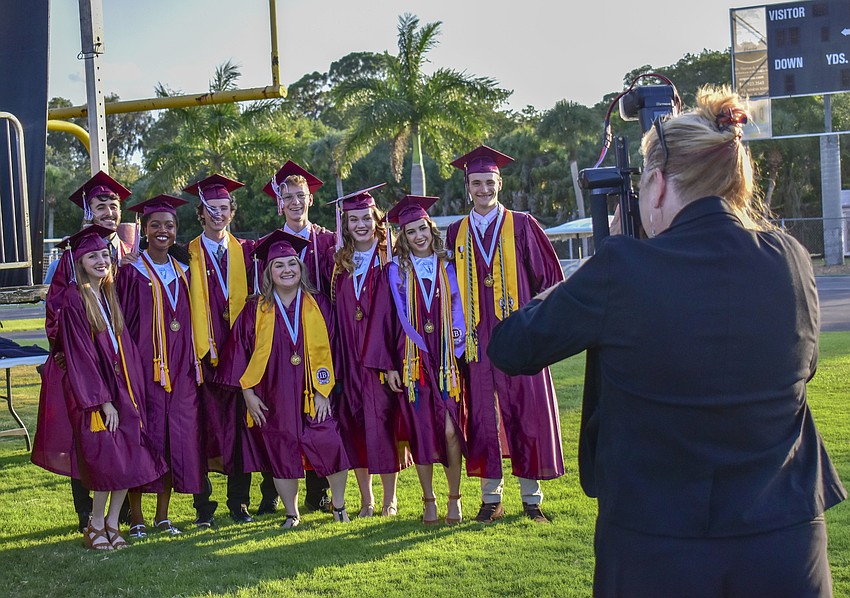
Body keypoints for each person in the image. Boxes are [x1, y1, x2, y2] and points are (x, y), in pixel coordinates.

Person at [487, 87, 847, 597]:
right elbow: (803, 366)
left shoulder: (622, 270)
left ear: (655, 185)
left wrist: (593, 265)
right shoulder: (790, 257)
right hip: (783, 537)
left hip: (655, 546)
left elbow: (511, 346)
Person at [445, 145, 565, 523]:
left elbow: (550, 282)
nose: (483, 189)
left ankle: (532, 499)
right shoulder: (454, 233)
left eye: (489, 182)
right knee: (482, 415)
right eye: (476, 183)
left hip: (518, 336)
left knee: (526, 413)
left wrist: (538, 330)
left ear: (500, 182)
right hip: (476, 340)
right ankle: (490, 499)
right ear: (467, 187)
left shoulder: (523, 225)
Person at [36, 225, 166, 549]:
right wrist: (102, 400)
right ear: (79, 262)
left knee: (130, 455)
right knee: (108, 458)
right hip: (98, 395)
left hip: (124, 390)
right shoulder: (74, 298)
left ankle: (111, 524)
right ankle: (94, 525)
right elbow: (79, 354)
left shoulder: (108, 295)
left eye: (104, 255)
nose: (101, 260)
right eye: (92, 256)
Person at [214, 230, 351, 528]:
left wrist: (324, 391)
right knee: (280, 448)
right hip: (272, 394)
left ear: (300, 268)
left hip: (312, 390)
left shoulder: (319, 304)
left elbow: (334, 348)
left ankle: (339, 506)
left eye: (292, 263)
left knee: (328, 440)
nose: (287, 270)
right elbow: (239, 352)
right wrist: (248, 394)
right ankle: (292, 513)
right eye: (279, 265)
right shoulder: (255, 309)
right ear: (268, 272)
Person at [32, 171, 134, 534]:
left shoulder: (127, 253)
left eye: (113, 205)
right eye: (100, 205)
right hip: (84, 365)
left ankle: (118, 515)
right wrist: (69, 353)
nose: (108, 211)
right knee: (86, 439)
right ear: (88, 212)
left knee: (123, 435)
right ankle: (87, 513)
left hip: (122, 363)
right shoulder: (71, 259)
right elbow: (56, 314)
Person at [182, 174, 275, 526]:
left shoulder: (248, 252)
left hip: (241, 356)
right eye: (211, 209)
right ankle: (203, 508)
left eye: (223, 208)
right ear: (201, 214)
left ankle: (240, 502)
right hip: (200, 357)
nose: (218, 214)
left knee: (241, 431)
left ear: (232, 212)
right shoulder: (184, 254)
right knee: (201, 429)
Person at [118, 195, 206, 537]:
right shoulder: (130, 273)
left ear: (176, 230)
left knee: (173, 439)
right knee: (145, 438)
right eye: (155, 225)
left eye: (169, 226)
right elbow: (123, 322)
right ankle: (136, 516)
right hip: (144, 369)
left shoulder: (185, 272)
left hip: (181, 370)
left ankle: (163, 516)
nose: (162, 231)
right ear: (144, 229)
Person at [377, 195, 467, 525]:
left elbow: (463, 312)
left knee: (449, 431)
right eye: (411, 231)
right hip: (413, 362)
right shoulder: (394, 273)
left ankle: (454, 499)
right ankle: (429, 500)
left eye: (422, 228)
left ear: (431, 229)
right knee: (421, 432)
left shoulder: (450, 266)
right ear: (403, 237)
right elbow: (384, 320)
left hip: (446, 362)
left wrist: (459, 348)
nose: (418, 236)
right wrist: (388, 365)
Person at [330, 184, 410, 517]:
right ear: (345, 225)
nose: (360, 225)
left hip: (381, 358)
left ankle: (389, 499)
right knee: (353, 426)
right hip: (349, 358)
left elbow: (401, 313)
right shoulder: (339, 265)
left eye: (366, 218)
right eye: (353, 220)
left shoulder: (391, 259)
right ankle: (367, 499)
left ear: (376, 219)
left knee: (384, 426)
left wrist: (394, 360)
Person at [262, 160, 336, 512]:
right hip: (281, 344)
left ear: (310, 199)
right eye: (287, 196)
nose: (294, 202)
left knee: (320, 416)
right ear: (279, 203)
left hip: (322, 340)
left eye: (300, 196)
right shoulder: (266, 247)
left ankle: (318, 491)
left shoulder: (329, 241)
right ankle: (272, 491)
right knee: (280, 415)